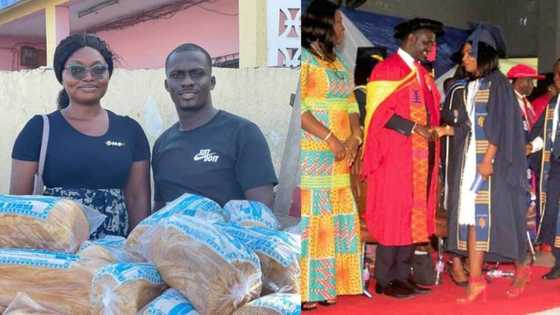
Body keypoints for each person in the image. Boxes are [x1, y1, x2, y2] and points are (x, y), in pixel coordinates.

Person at [10, 33, 151, 238]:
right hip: (55, 254)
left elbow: (137, 199)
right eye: (77, 70)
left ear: (108, 74)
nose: (88, 77)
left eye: (98, 69)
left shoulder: (130, 130)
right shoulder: (39, 129)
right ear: (62, 75)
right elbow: (18, 206)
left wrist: (137, 252)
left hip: (113, 258)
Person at [440, 25, 529, 302]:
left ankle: (522, 267)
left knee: (504, 218)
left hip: (494, 163)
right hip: (471, 162)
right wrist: (447, 131)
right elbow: (471, 127)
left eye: (469, 54)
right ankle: (475, 280)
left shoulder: (499, 84)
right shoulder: (471, 85)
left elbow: (501, 126)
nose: (464, 59)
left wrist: (489, 159)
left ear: (483, 54)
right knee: (471, 217)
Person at [361, 17, 443, 298]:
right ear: (410, 39)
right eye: (427, 42)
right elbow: (377, 115)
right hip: (394, 157)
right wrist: (413, 127)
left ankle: (403, 275)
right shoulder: (387, 69)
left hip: (420, 158)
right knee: (394, 214)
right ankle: (385, 279)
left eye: (433, 43)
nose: (431, 48)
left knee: (413, 216)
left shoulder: (421, 73)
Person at [151, 43, 277, 209]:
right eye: (177, 75)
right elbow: (160, 210)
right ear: (167, 85)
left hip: (230, 235)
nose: (187, 82)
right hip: (172, 236)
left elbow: (261, 212)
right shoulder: (162, 144)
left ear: (212, 82)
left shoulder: (243, 133)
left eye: (197, 74)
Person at [299, 0, 363, 310]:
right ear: (323, 25)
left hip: (341, 156)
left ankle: (328, 286)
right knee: (316, 223)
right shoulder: (304, 61)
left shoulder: (337, 63)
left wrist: (354, 137)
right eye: (338, 22)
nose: (341, 29)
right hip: (315, 153)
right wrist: (331, 139)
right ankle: (307, 289)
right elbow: (301, 110)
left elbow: (351, 104)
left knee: (336, 220)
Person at [532, 66, 560, 280]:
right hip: (555, 166)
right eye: (556, 74)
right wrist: (530, 147)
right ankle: (558, 262)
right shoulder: (553, 103)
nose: (558, 78)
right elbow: (542, 134)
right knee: (552, 212)